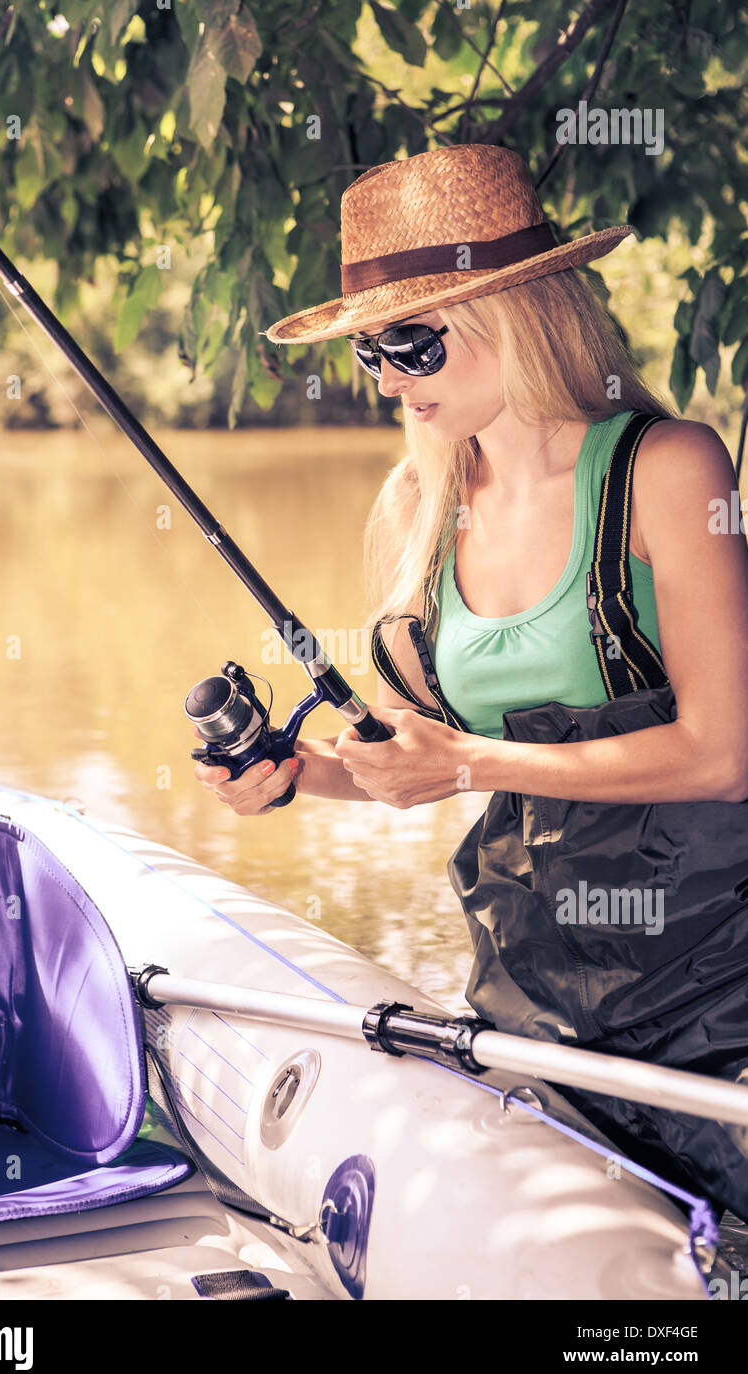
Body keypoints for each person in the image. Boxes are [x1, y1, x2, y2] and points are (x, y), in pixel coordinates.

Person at [192, 143, 748, 1216]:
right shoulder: (413, 511)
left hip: (716, 984)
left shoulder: (667, 468)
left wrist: (467, 764)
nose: (390, 381)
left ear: (519, 311)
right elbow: (415, 761)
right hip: (529, 993)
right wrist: (298, 772)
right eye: (369, 355)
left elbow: (725, 755)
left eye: (412, 343)